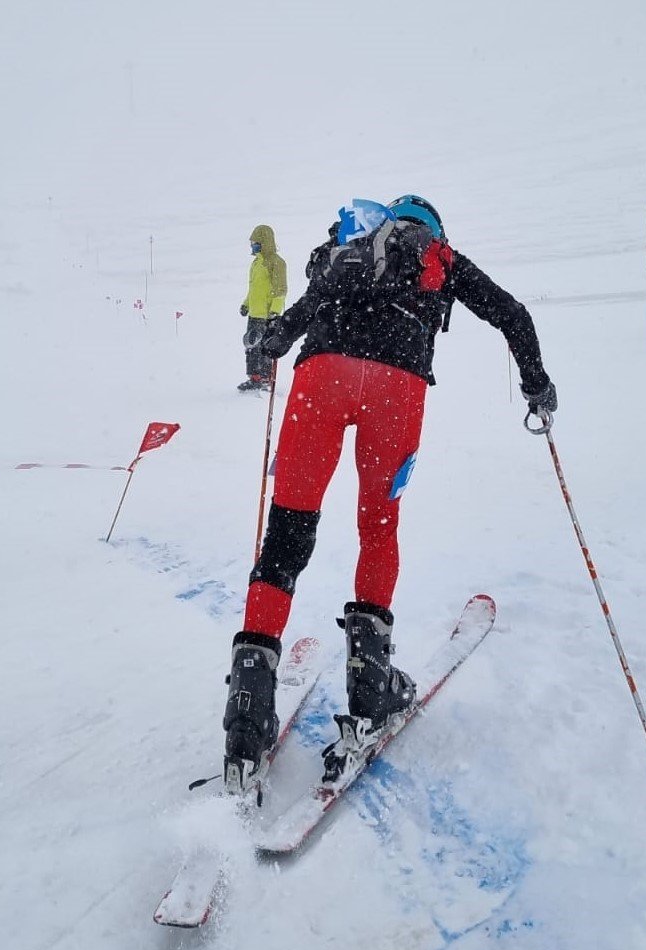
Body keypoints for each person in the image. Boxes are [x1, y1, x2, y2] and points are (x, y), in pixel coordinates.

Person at [221, 195, 558, 790]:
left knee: (287, 533)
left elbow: (285, 328)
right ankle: (371, 687)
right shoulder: (440, 259)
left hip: (319, 379)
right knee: (377, 526)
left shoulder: (349, 254)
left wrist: (273, 341)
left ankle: (247, 713)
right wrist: (537, 385)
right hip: (395, 392)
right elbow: (513, 314)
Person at [238, 225, 288, 392]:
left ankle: (265, 378)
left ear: (264, 242)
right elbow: (254, 289)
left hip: (267, 315)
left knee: (264, 348)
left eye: (255, 242)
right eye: (252, 242)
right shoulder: (256, 263)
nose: (252, 245)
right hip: (254, 313)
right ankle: (254, 377)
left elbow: (281, 289)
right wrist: (246, 304)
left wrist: (275, 312)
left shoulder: (276, 263)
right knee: (252, 347)